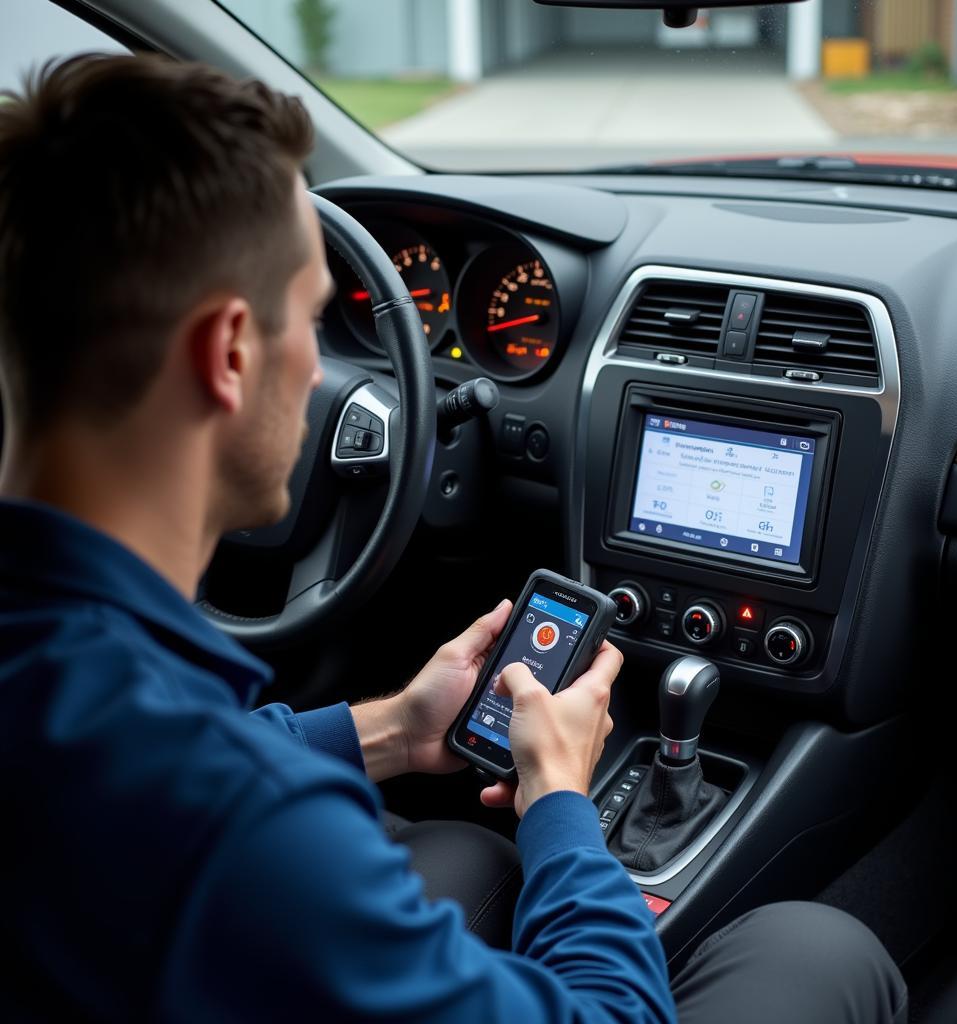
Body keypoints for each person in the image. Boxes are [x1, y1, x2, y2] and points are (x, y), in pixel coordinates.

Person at [0, 54, 907, 1023]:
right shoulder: (251, 837)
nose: (321, 368)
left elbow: (154, 750)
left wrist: (390, 729)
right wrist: (561, 803)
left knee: (474, 857)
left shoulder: (81, 688)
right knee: (820, 949)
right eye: (312, 319)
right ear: (227, 354)